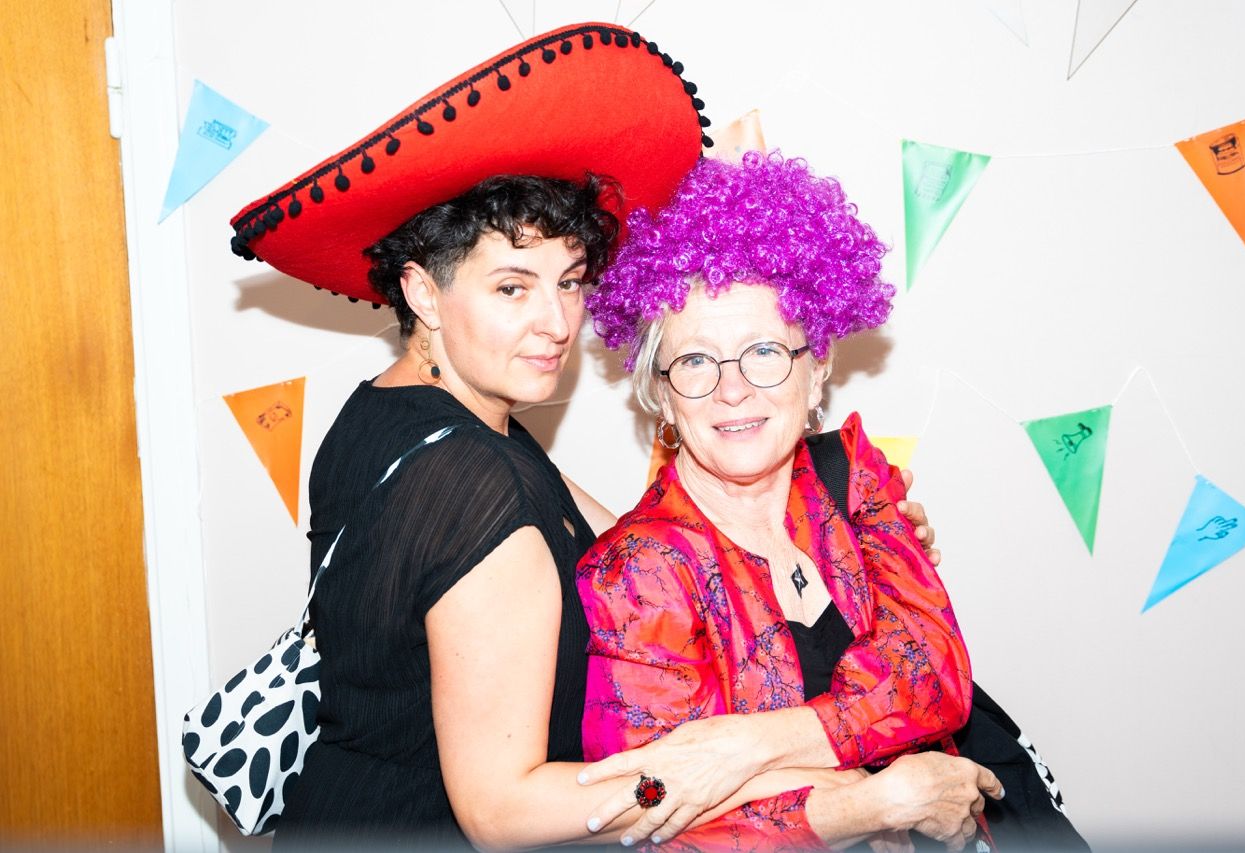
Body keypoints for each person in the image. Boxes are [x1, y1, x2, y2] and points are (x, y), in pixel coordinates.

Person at [225, 22, 986, 852]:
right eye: (512, 287)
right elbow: (501, 812)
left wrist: (854, 537)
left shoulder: (411, 419)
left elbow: (611, 534)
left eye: (570, 281)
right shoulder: (468, 485)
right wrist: (803, 785)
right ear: (422, 291)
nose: (557, 323)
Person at [574, 151, 1032, 851]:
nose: (733, 390)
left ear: (816, 369)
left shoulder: (851, 473)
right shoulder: (638, 570)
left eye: (764, 352)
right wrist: (871, 804)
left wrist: (748, 745)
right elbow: (646, 803)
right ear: (661, 392)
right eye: (695, 361)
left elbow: (935, 680)